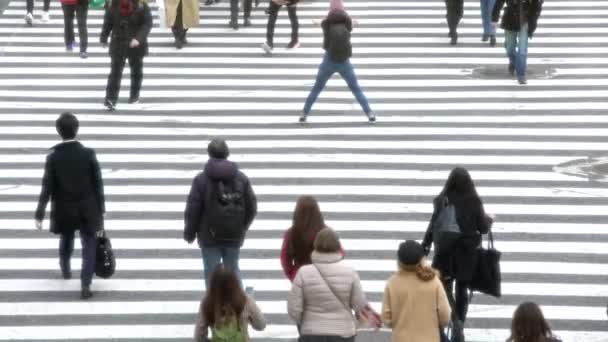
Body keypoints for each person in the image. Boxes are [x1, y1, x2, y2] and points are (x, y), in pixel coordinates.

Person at [34, 112, 105, 300]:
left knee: (66, 238)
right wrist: (101, 209)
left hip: (65, 208)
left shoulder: (54, 158)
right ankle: (85, 283)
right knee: (89, 243)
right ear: (77, 129)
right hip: (88, 207)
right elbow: (98, 183)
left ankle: (65, 268)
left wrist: (40, 212)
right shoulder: (88, 154)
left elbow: (47, 186)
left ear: (59, 131)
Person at [421, 167, 494, 342]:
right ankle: (459, 323)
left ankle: (454, 319)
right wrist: (489, 220)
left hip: (444, 254)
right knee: (462, 290)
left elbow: (433, 225)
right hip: (466, 256)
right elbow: (482, 228)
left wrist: (425, 246)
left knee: (445, 288)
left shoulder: (442, 200)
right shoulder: (474, 201)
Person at [183, 138, 257, 288]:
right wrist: (242, 227)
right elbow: (252, 207)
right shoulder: (241, 178)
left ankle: (213, 307)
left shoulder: (201, 180)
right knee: (233, 270)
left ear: (209, 154)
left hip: (209, 236)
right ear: (227, 153)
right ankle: (238, 306)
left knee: (211, 274)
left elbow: (193, 210)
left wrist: (190, 233)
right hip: (233, 235)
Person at [288, 228, 381, 342]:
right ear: (337, 246)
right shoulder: (349, 272)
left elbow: (293, 308)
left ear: (316, 245)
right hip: (342, 332)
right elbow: (359, 304)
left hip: (311, 333)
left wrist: (305, 323)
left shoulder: (303, 272)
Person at [300, 8, 374, 123]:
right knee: (356, 89)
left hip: (328, 61)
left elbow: (323, 22)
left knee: (317, 88)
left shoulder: (326, 26)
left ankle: (304, 113)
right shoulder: (347, 27)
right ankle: (369, 113)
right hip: (344, 63)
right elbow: (350, 23)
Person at [382, 240, 451, 342]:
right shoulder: (433, 282)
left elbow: (387, 319)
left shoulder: (392, 283)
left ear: (399, 261)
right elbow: (445, 316)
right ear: (422, 259)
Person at [100, 0, 153, 110]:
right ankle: (111, 99)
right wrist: (104, 37)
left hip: (135, 44)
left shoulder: (141, 5)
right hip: (118, 42)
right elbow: (108, 22)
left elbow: (147, 24)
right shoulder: (112, 4)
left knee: (136, 71)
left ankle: (134, 95)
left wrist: (138, 38)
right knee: (115, 72)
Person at [194, 263, 266, 342]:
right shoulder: (245, 300)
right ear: (235, 282)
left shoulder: (207, 303)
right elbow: (260, 325)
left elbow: (199, 337)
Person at [492, 0, 544, 85]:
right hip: (510, 19)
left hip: (525, 19)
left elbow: (537, 5)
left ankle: (521, 75)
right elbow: (499, 2)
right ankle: (514, 62)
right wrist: (494, 18)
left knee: (522, 50)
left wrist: (533, 21)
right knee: (509, 48)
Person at [280, 195, 328, 281]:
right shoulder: (326, 232)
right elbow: (340, 253)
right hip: (324, 277)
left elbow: (285, 260)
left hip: (301, 278)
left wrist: (293, 276)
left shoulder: (291, 233)